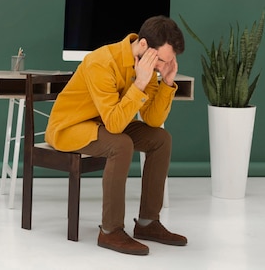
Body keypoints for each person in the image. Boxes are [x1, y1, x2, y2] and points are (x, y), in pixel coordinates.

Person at [45, 15, 187, 255]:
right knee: (120, 144)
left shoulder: (148, 65)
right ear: (143, 45)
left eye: (168, 62)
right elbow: (114, 124)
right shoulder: (101, 62)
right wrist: (139, 84)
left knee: (161, 139)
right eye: (161, 60)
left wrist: (167, 83)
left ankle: (148, 223)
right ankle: (110, 231)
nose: (161, 66)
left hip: (107, 123)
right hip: (70, 126)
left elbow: (153, 120)